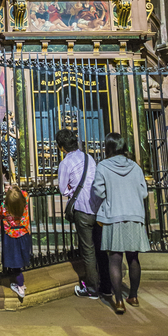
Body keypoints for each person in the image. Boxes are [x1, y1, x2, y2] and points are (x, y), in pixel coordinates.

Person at [92, 131, 150, 314]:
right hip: (134, 215)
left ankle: (118, 301)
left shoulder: (103, 166)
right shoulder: (135, 167)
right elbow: (144, 193)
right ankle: (133, 295)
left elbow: (98, 191)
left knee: (115, 259)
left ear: (108, 147)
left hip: (113, 216)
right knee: (133, 258)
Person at [56, 128, 110, 300]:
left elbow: (63, 189)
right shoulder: (89, 158)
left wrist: (72, 188)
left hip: (82, 209)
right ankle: (106, 285)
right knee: (101, 247)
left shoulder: (65, 163)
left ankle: (92, 289)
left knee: (87, 250)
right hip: (98, 208)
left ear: (62, 147)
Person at [0, 184, 31, 301]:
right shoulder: (24, 201)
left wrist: (8, 192)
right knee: (21, 259)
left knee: (16, 264)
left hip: (11, 237)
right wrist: (13, 189)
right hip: (24, 234)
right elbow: (24, 193)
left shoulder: (5, 208)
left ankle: (20, 287)